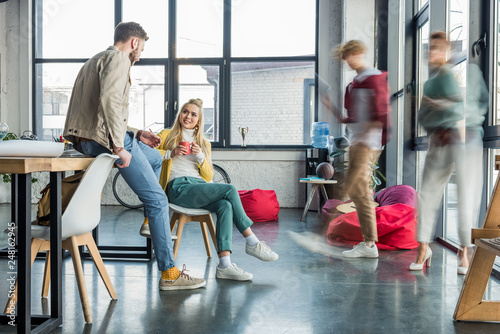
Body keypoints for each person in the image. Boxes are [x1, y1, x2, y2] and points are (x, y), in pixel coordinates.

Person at [63, 22, 205, 290]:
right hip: (105, 142)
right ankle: (170, 273)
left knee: (154, 158)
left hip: (88, 140)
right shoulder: (119, 59)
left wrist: (138, 135)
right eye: (142, 47)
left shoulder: (94, 60)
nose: (140, 54)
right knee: (159, 200)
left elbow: (97, 114)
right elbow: (109, 103)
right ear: (135, 42)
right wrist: (119, 146)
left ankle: (150, 221)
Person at [149, 98, 278, 281]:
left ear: (199, 120)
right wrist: (171, 153)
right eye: (185, 112)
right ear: (180, 114)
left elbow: (208, 176)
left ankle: (225, 265)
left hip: (198, 186)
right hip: (178, 187)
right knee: (230, 189)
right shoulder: (166, 134)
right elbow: (147, 153)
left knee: (225, 204)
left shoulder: (203, 142)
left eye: (194, 114)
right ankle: (251, 240)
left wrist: (200, 156)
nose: (188, 116)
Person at [410, 31, 487, 274]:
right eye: (429, 49)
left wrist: (448, 109)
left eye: (437, 48)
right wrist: (439, 122)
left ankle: (465, 249)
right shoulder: (431, 83)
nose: (432, 53)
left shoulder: (469, 73)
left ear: (449, 51)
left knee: (467, 196)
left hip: (467, 140)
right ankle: (423, 247)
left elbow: (478, 106)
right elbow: (422, 116)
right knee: (427, 193)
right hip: (440, 140)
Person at [321, 40, 391, 258]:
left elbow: (381, 115)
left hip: (367, 143)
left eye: (349, 57)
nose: (347, 62)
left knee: (351, 188)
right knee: (359, 193)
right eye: (344, 59)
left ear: (359, 53)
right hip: (355, 141)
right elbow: (348, 118)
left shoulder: (375, 79)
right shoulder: (354, 84)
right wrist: (331, 107)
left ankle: (363, 242)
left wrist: (365, 138)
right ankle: (370, 244)